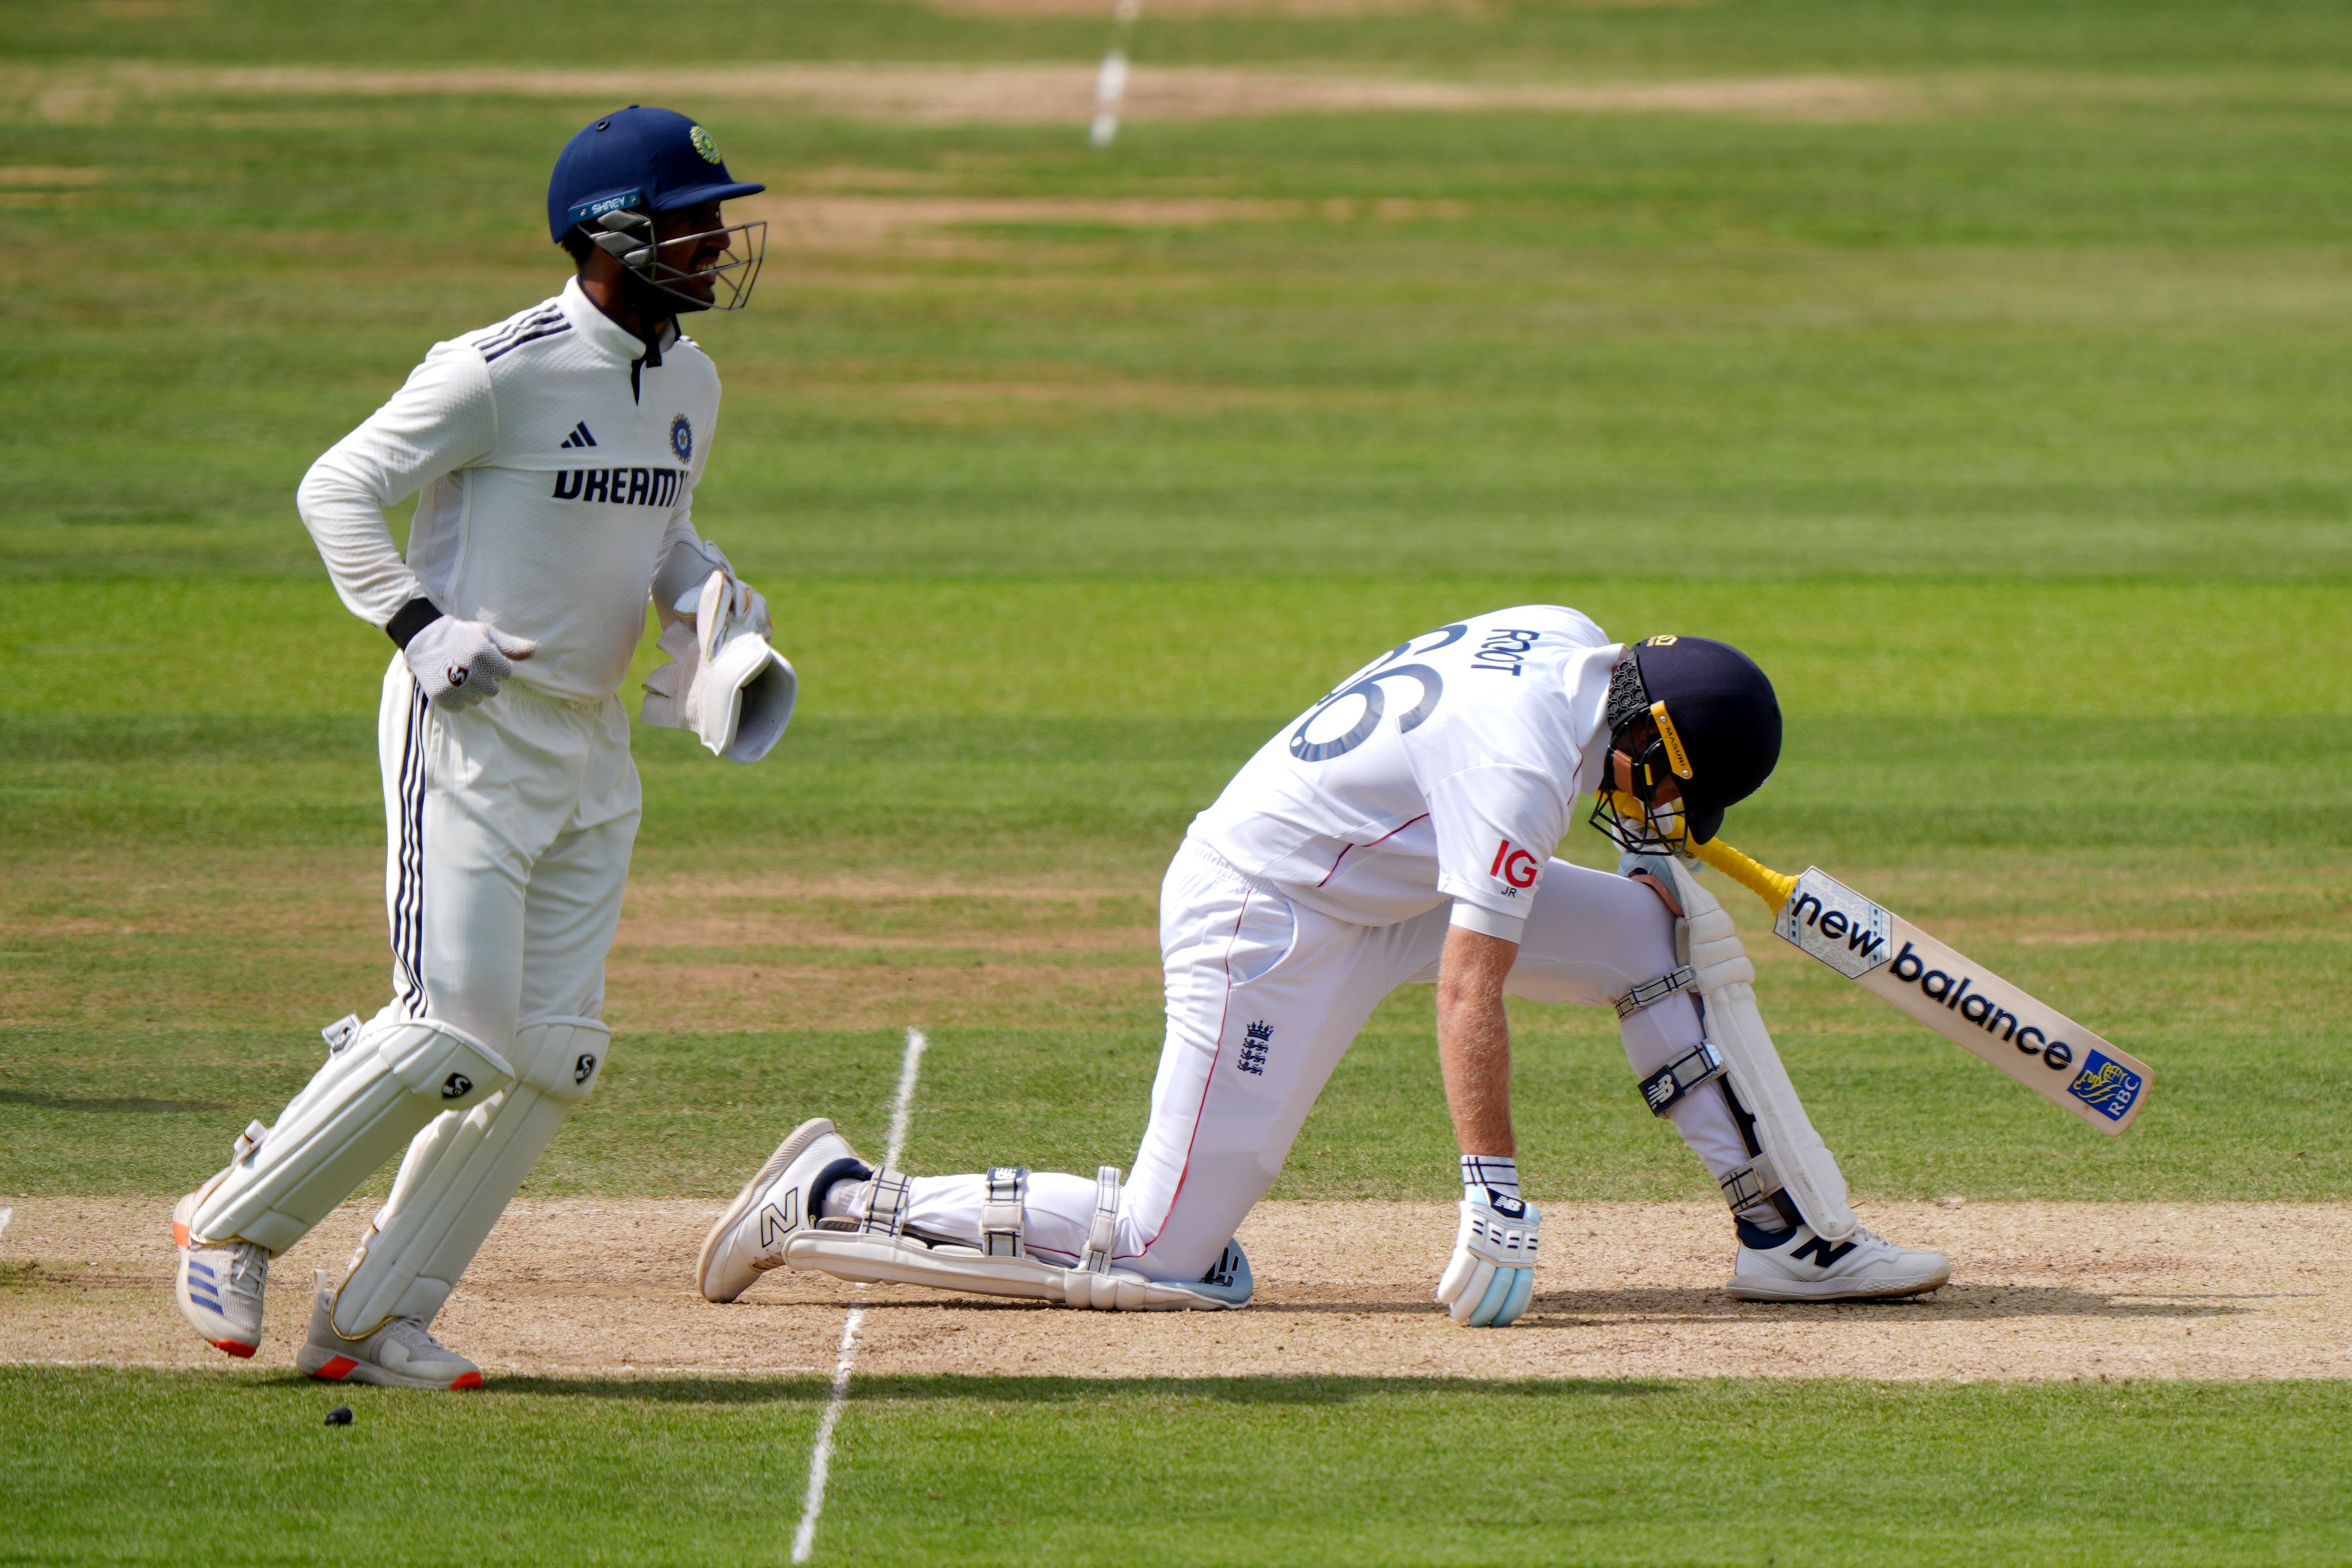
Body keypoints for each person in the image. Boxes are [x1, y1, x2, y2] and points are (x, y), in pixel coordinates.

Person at [695, 609, 1949, 1323]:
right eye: (1673, 787)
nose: (1667, 814)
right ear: (1643, 732)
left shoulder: (1569, 642)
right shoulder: (1518, 774)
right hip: (1268, 915)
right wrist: (1492, 1191)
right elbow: (1471, 991)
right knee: (1161, 1255)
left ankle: (1779, 1231)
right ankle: (833, 1198)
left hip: (1379, 875)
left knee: (1642, 931)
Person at [173, 106, 788, 1387]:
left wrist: (707, 590)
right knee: (452, 1035)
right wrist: (415, 622)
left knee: (552, 1050)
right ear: (612, 234)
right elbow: (334, 485)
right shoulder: (495, 368)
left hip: (590, 743)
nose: (720, 238)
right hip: (467, 728)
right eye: (695, 217)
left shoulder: (689, 381)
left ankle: (370, 1317)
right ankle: (228, 1220)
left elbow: (655, 525)